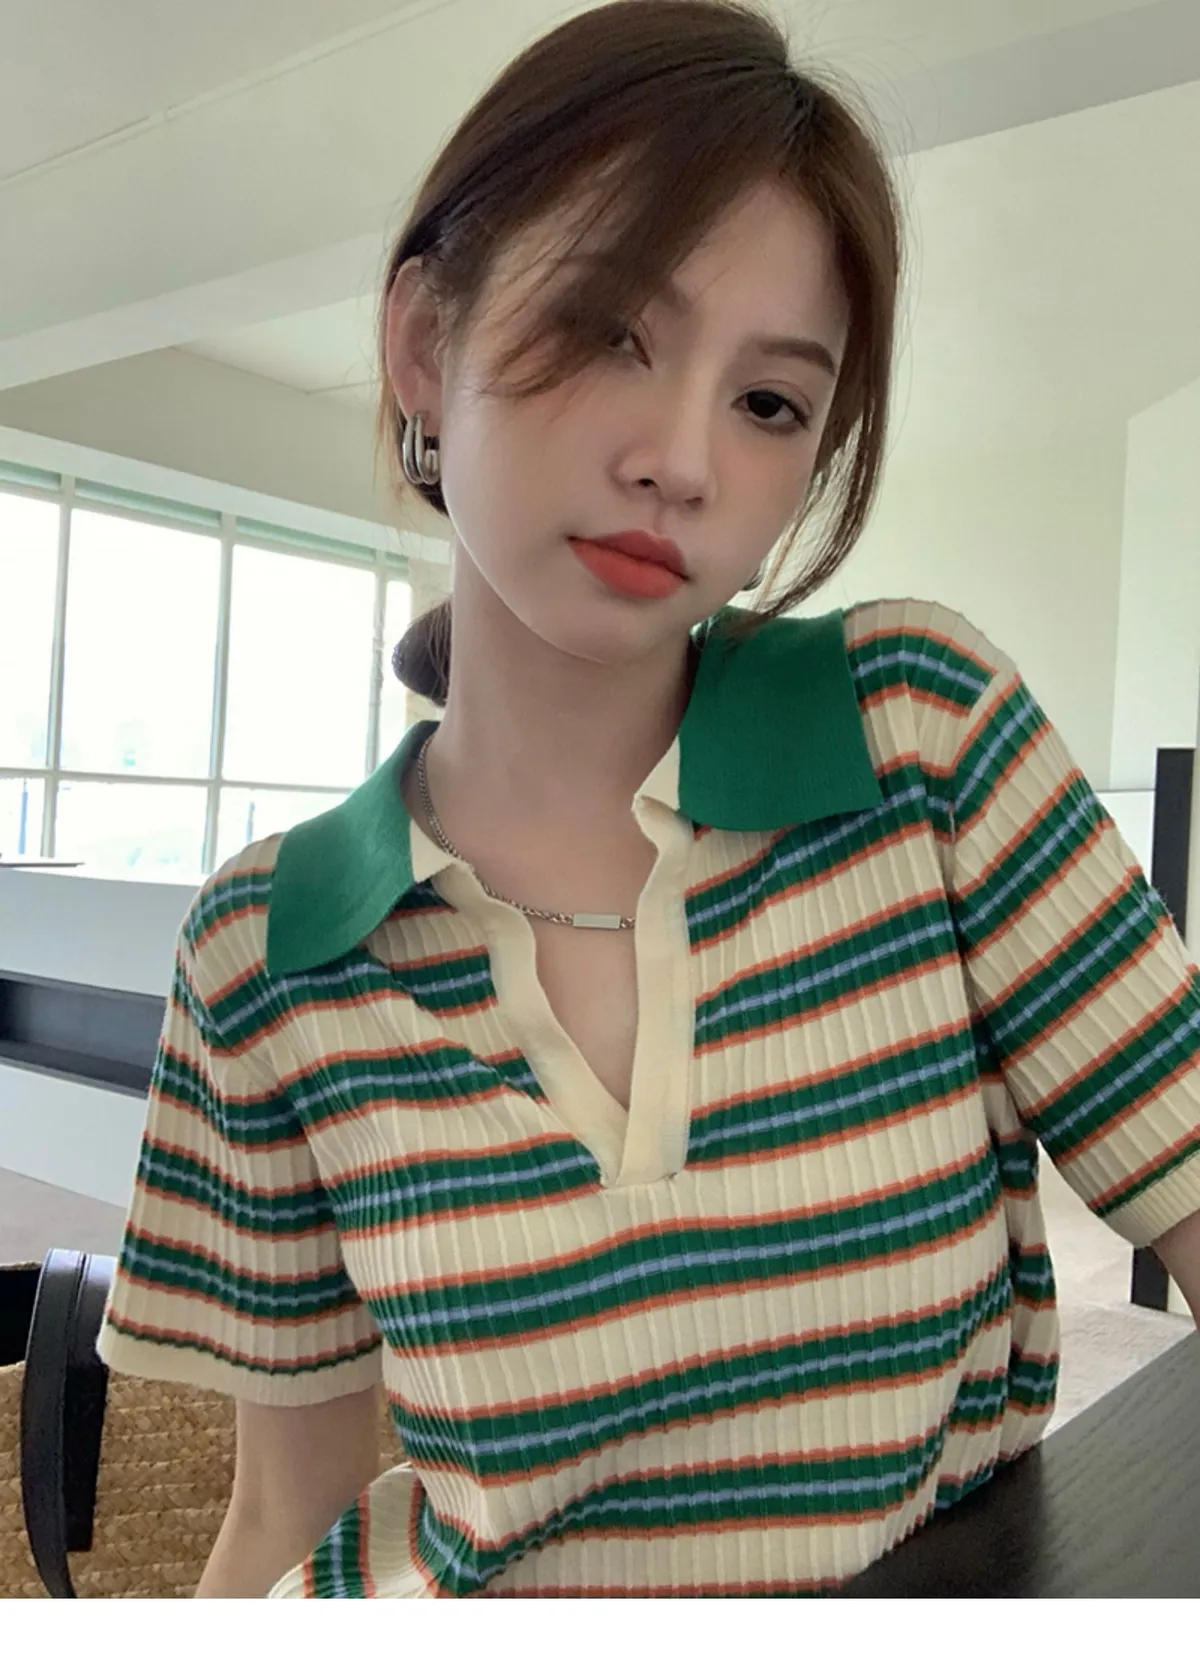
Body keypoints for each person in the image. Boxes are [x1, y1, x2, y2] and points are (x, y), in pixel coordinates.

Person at [96, 0, 1200, 1599]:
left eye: (770, 404)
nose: (685, 460)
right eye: (614, 328)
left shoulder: (916, 735)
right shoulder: (267, 943)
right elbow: (282, 1510)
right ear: (423, 342)